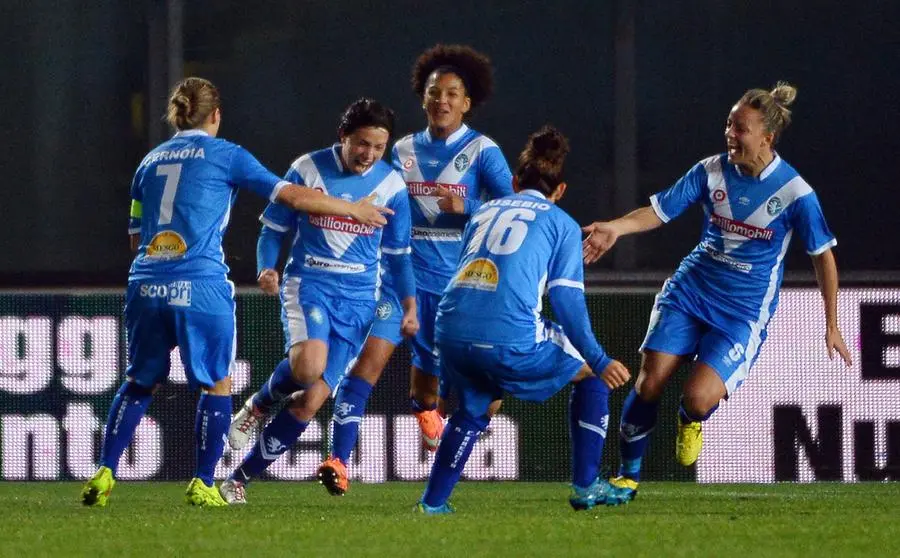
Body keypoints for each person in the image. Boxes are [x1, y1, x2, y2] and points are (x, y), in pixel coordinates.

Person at [79, 78, 391, 508]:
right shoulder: (225, 154)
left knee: (138, 381)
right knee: (216, 385)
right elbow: (292, 197)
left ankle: (105, 470)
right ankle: (204, 482)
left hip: (146, 282)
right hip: (201, 284)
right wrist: (354, 209)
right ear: (216, 115)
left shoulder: (149, 162)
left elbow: (136, 238)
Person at [582, 82, 853, 505]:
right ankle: (626, 478)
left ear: (768, 137)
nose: (730, 134)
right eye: (729, 124)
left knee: (697, 397)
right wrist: (616, 227)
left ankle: (690, 419)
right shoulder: (709, 171)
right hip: (689, 293)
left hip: (741, 313)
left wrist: (832, 323)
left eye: (741, 128)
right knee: (650, 381)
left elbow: (824, 257)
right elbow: (659, 211)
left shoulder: (796, 194)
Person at [304, 44, 516, 498]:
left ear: (467, 102)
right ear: (423, 98)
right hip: (401, 281)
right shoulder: (400, 150)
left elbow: (513, 209)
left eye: (452, 94)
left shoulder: (483, 152)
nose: (442, 100)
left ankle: (441, 441)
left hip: (462, 287)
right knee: (367, 365)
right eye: (435, 92)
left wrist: (468, 206)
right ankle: (339, 460)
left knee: (465, 393)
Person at [416, 126, 631, 514]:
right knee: (591, 373)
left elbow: (464, 280)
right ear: (560, 190)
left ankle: (432, 504)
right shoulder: (561, 222)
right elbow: (566, 301)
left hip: (448, 330)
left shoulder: (483, 213)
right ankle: (585, 487)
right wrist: (599, 359)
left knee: (477, 407)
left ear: (514, 182)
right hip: (505, 336)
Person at [219, 98, 414, 504]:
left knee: (309, 403)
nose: (369, 155)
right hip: (310, 286)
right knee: (308, 368)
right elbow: (273, 228)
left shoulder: (393, 185)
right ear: (343, 135)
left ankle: (237, 480)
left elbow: (398, 256)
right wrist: (267, 268)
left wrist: (409, 305)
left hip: (359, 302)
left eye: (378, 147)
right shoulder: (307, 168)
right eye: (362, 144)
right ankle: (259, 405)